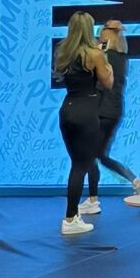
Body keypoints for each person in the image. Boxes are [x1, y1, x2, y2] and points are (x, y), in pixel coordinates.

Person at [56, 13, 114, 238]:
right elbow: (107, 83)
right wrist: (105, 61)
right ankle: (70, 218)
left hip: (67, 110)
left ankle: (75, 213)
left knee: (77, 164)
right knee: (81, 165)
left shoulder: (64, 53)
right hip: (86, 112)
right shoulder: (95, 54)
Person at [81, 15, 140, 217]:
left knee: (91, 154)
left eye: (101, 33)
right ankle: (135, 181)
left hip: (102, 111)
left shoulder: (104, 57)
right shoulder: (122, 58)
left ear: (106, 35)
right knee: (100, 155)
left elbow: (97, 82)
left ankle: (93, 200)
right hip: (115, 111)